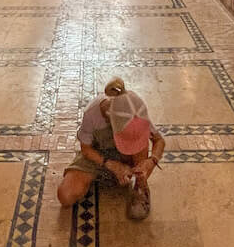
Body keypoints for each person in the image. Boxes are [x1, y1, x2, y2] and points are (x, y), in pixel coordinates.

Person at [57, 77, 165, 220]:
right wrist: (110, 164)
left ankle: (140, 185)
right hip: (98, 154)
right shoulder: (92, 113)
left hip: (126, 158)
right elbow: (86, 149)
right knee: (65, 195)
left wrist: (151, 161)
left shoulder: (134, 109)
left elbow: (159, 140)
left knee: (142, 142)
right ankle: (105, 176)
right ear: (110, 119)